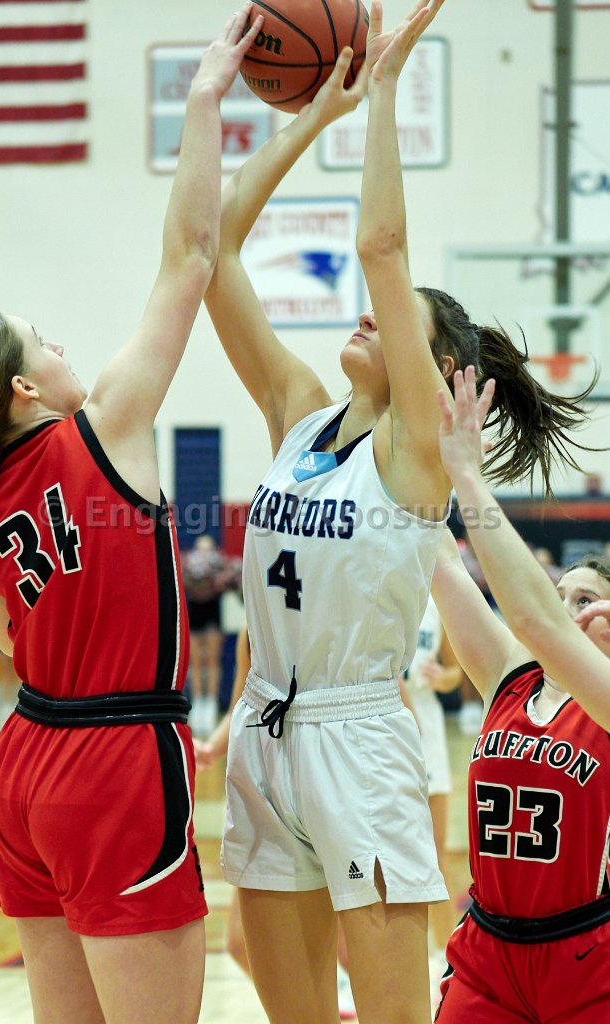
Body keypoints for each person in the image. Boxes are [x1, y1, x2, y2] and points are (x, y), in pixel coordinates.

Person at [203, 1, 596, 1021]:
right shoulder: (296, 411)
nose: (364, 313)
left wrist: (381, 93)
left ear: (435, 365)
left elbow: (380, 244)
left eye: (391, 319)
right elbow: (215, 250)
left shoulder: (413, 448)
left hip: (358, 736)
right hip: (266, 731)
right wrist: (309, 118)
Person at [0, 11, 263, 1024]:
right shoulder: (106, 425)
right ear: (25, 388)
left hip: (25, 764)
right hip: (116, 761)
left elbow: (6, 641)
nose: (62, 343)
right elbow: (191, 255)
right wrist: (204, 99)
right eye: (43, 339)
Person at [429, 366, 610, 1022]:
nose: (566, 610)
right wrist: (416, 448)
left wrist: (467, 476)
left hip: (587, 953)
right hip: (487, 950)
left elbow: (531, 616)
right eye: (560, 595)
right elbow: (438, 560)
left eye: (585, 600)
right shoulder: (509, 673)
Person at [195, 624, 359, 1021]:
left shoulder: (340, 617)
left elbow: (391, 695)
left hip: (332, 782)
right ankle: (325, 1005)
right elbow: (241, 702)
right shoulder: (254, 626)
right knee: (239, 943)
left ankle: (344, 999)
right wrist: (211, 749)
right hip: (267, 791)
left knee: (348, 946)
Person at [400, 596, 464, 961]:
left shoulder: (435, 603)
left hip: (427, 725)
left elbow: (455, 670)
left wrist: (442, 678)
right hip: (387, 722)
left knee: (435, 850)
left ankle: (446, 954)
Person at [181, 534, 241, 737]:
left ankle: (211, 704)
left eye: (208, 550)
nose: (204, 554)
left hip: (213, 617)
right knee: (196, 663)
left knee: (213, 661)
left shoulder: (219, 568)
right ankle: (198, 704)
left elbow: (233, 580)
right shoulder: (188, 567)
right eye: (201, 550)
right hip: (195, 616)